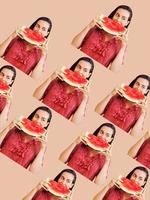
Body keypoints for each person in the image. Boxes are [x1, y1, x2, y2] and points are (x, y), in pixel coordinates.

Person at [72, 5, 133, 72]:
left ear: (127, 23)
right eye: (117, 15)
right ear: (113, 15)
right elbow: (73, 45)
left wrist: (123, 47)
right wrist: (89, 26)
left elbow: (114, 70)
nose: (118, 20)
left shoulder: (122, 44)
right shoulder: (95, 27)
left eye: (123, 18)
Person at [33, 57, 94, 123]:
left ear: (88, 75)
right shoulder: (56, 81)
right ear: (74, 67)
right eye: (78, 67)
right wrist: (50, 78)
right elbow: (35, 96)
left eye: (85, 70)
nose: (80, 71)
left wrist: (85, 99)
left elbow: (75, 122)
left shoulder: (83, 96)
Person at [0, 106, 52, 173]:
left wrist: (42, 149)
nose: (38, 121)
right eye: (36, 116)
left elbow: (33, 171)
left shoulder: (40, 146)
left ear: (46, 124)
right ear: (32, 116)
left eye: (43, 119)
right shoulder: (14, 129)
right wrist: (8, 128)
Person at [0, 65, 16, 130]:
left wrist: (8, 103)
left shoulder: (6, 101)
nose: (3, 79)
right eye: (2, 74)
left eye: (8, 77)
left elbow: (0, 124)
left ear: (11, 82)